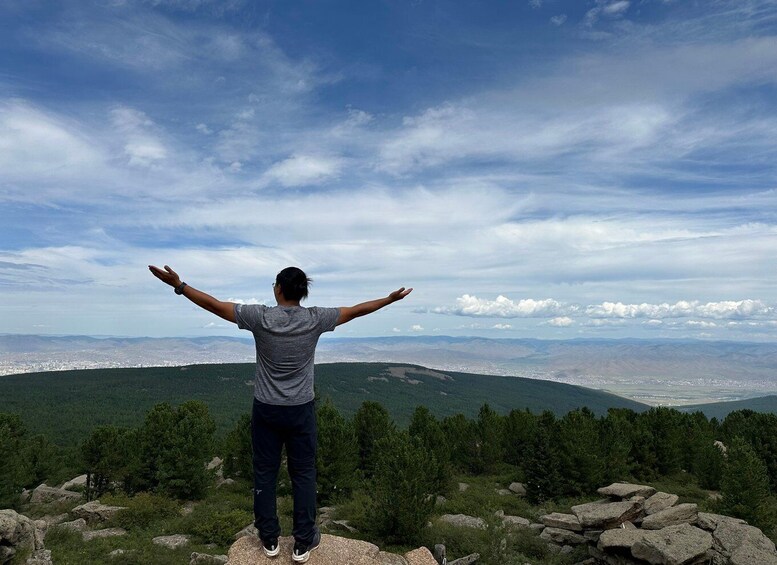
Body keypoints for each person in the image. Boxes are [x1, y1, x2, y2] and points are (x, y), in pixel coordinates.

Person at [148, 264, 412, 563]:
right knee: (304, 474)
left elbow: (214, 305)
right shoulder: (316, 318)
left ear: (278, 289)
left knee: (265, 472)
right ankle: (303, 542)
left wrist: (180, 286)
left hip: (266, 409)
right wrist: (389, 300)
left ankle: (269, 538)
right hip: (301, 410)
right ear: (303, 292)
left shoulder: (260, 318)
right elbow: (356, 311)